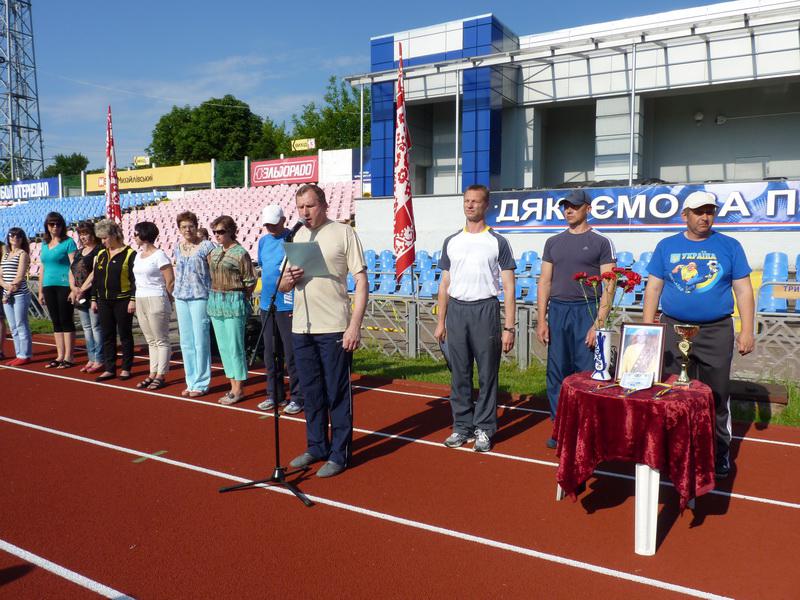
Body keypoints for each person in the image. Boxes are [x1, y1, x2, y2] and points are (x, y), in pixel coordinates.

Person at [643, 191, 755, 479]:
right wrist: (647, 329)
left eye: (710, 211)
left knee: (716, 395)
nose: (705, 217)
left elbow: (743, 290)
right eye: (699, 211)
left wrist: (747, 330)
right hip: (673, 329)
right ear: (685, 215)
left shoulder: (730, 246)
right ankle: (676, 450)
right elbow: (653, 288)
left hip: (717, 330)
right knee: (673, 393)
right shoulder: (666, 246)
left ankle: (719, 452)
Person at [280, 184, 368, 478]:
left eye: (310, 206)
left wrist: (354, 325)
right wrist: (289, 280)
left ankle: (339, 454)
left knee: (337, 393)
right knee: (311, 391)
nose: (304, 212)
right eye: (300, 207)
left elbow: (361, 280)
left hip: (334, 327)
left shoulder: (343, 232)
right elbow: (283, 286)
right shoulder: (296, 236)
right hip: (302, 327)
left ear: (324, 205)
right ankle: (317, 445)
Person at [433, 184, 516, 453]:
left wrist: (509, 327)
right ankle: (462, 426)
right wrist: (441, 321)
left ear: (486, 205)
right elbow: (444, 284)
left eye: (475, 201)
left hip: (485, 310)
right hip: (457, 311)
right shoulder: (452, 241)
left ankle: (485, 428)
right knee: (459, 374)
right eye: (467, 201)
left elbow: (509, 287)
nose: (470, 205)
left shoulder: (498, 242)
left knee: (488, 374)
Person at [537, 188, 616, 448]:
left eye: (574, 206)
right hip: (558, 311)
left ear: (588, 209)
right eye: (566, 206)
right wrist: (542, 319)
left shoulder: (601, 242)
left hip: (587, 310)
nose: (569, 210)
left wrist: (598, 323)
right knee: (557, 372)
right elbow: (545, 281)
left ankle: (585, 430)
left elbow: (609, 284)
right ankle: (560, 427)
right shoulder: (553, 242)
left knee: (587, 373)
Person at [257, 204, 304, 415]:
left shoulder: (293, 239)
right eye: (267, 224)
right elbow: (263, 266)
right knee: (270, 353)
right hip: (267, 304)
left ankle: (298, 397)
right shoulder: (263, 241)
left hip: (287, 304)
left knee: (291, 354)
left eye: (274, 224)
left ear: (284, 220)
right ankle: (274, 394)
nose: (270, 227)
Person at [207, 215, 256, 405]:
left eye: (220, 231)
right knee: (224, 347)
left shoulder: (240, 253)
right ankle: (232, 385)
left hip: (234, 301)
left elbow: (250, 281)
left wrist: (241, 297)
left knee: (235, 346)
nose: (217, 235)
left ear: (230, 231)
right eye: (215, 232)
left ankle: (239, 388)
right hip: (216, 302)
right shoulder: (215, 252)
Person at [174, 211, 215, 398]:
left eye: (190, 226)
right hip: (181, 297)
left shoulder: (207, 246)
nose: (187, 230)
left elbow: (213, 271)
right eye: (183, 227)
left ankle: (202, 382)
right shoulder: (178, 247)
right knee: (186, 342)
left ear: (196, 226)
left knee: (201, 341)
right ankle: (190, 381)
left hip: (200, 296)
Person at [91, 219, 137, 382]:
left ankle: (126, 368)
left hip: (123, 300)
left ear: (115, 235)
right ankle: (110, 368)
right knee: (107, 335)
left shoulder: (130, 254)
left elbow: (134, 280)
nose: (103, 242)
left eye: (105, 238)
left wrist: (133, 299)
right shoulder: (101, 254)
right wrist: (94, 299)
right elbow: (96, 279)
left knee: (125, 334)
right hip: (104, 301)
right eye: (101, 238)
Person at [132, 221, 175, 391]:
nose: (134, 237)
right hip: (141, 297)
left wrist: (167, 299)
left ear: (144, 235)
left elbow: (170, 281)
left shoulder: (160, 255)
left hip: (157, 297)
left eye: (136, 233)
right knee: (150, 340)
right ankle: (152, 373)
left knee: (161, 339)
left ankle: (161, 375)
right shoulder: (138, 255)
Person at [38, 212, 77, 368]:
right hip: (48, 285)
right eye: (52, 224)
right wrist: (40, 291)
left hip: (64, 285)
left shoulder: (69, 242)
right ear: (47, 226)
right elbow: (43, 268)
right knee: (56, 321)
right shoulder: (44, 244)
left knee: (66, 320)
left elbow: (74, 266)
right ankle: (60, 355)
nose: (55, 227)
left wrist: (73, 288)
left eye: (58, 224)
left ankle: (69, 356)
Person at [68, 221, 103, 373]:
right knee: (87, 328)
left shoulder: (99, 250)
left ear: (93, 234)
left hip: (93, 294)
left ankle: (99, 359)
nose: (83, 237)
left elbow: (95, 272)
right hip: (80, 294)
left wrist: (82, 289)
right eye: (80, 234)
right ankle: (91, 358)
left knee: (96, 327)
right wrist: (73, 288)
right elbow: (71, 271)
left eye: (85, 233)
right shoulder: (78, 252)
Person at [1, 228, 32, 365]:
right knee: (13, 327)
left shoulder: (22, 254)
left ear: (22, 239)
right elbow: (0, 275)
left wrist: (8, 291)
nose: (15, 238)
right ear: (8, 238)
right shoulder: (5, 255)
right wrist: (5, 287)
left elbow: (19, 276)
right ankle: (19, 353)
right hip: (7, 295)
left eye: (18, 236)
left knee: (21, 324)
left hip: (19, 295)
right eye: (12, 235)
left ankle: (25, 354)